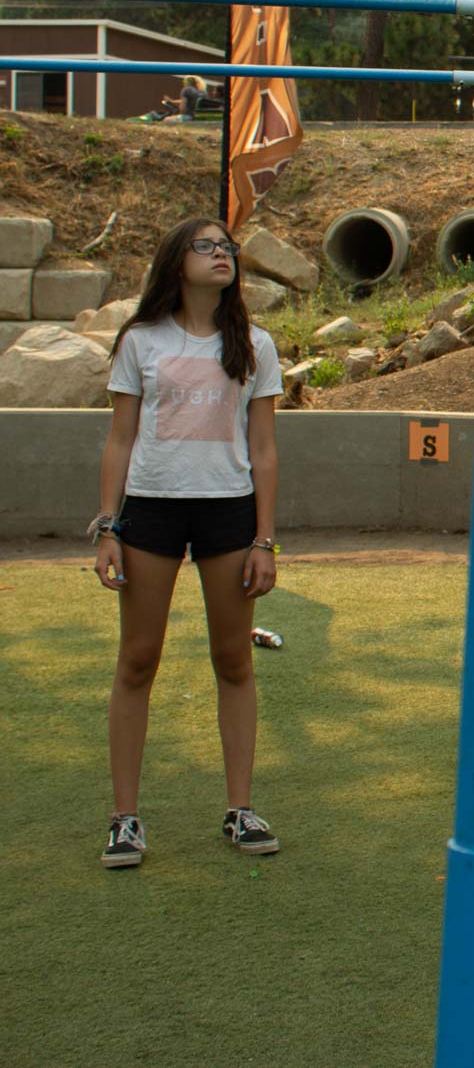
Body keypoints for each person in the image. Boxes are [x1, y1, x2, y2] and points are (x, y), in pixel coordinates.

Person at [94, 218, 286, 869]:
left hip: (228, 513)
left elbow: (264, 449)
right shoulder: (140, 340)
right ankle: (125, 820)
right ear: (176, 261)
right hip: (150, 511)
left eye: (227, 246)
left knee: (233, 661)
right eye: (206, 246)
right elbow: (120, 438)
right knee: (137, 660)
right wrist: (108, 526)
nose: (221, 254)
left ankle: (240, 810)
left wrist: (264, 539)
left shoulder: (254, 344)